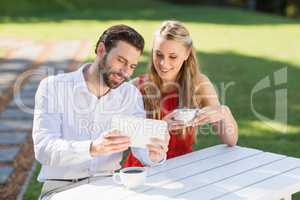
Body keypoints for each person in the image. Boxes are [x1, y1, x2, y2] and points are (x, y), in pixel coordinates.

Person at [32, 24, 169, 199]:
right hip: (61, 188)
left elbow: (140, 148)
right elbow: (44, 149)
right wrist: (92, 148)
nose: (126, 72)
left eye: (132, 66)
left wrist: (154, 153)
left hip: (110, 187)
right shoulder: (53, 87)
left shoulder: (130, 94)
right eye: (121, 60)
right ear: (101, 49)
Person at [124, 20, 238, 167]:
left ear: (187, 53)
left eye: (172, 56)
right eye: (158, 54)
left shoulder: (199, 84)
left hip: (183, 167)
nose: (164, 63)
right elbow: (122, 135)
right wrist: (161, 126)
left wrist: (223, 112)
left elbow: (231, 140)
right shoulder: (136, 87)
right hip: (143, 169)